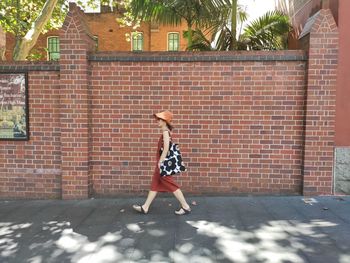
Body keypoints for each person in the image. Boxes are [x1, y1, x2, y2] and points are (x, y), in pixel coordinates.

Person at [132, 110, 191, 215]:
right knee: (155, 184)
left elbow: (166, 148)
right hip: (161, 163)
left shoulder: (165, 132)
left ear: (165, 121)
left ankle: (185, 206)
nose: (157, 121)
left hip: (162, 164)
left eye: (159, 119)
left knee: (171, 184)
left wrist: (160, 162)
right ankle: (145, 207)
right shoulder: (166, 131)